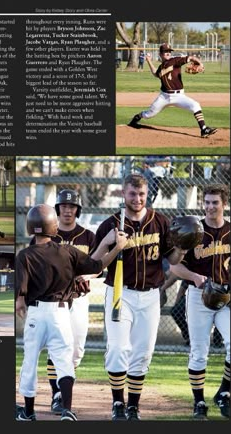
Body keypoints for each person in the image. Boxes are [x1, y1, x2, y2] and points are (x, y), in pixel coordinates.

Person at [16, 204, 124, 422]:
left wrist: (21, 303)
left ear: (30, 227)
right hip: (61, 313)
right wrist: (117, 247)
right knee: (64, 361)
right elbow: (97, 266)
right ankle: (67, 410)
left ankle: (28, 412)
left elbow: (20, 297)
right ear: (54, 227)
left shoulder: (24, 255)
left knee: (30, 361)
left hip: (36, 313)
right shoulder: (67, 252)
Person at [93, 173, 180, 421]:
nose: (138, 199)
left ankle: (133, 406)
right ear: (123, 194)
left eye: (141, 194)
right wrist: (111, 243)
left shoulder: (160, 221)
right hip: (121, 292)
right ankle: (117, 403)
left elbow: (173, 260)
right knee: (119, 348)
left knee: (142, 352)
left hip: (151, 295)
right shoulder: (111, 224)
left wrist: (184, 246)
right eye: (132, 193)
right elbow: (95, 264)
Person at [168, 184, 231, 419]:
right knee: (199, 351)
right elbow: (175, 265)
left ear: (224, 203)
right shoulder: (194, 230)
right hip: (199, 295)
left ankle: (224, 393)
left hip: (227, 294)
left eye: (215, 202)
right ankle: (199, 402)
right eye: (206, 202)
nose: (210, 206)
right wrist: (194, 277)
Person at [38, 189, 98, 414]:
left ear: (78, 210)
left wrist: (88, 276)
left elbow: (98, 267)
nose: (67, 210)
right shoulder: (48, 236)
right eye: (63, 206)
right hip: (55, 299)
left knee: (76, 350)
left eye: (72, 207)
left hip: (80, 298)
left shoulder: (88, 236)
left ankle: (64, 389)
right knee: (57, 347)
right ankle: (57, 395)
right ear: (57, 210)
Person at [127, 43, 218, 138]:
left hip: (179, 96)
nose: (168, 53)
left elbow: (190, 58)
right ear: (160, 54)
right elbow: (155, 74)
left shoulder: (175, 61)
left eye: (169, 51)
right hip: (164, 97)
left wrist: (200, 63)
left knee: (195, 105)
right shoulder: (161, 67)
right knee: (149, 114)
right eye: (165, 51)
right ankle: (137, 117)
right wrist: (149, 61)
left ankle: (203, 129)